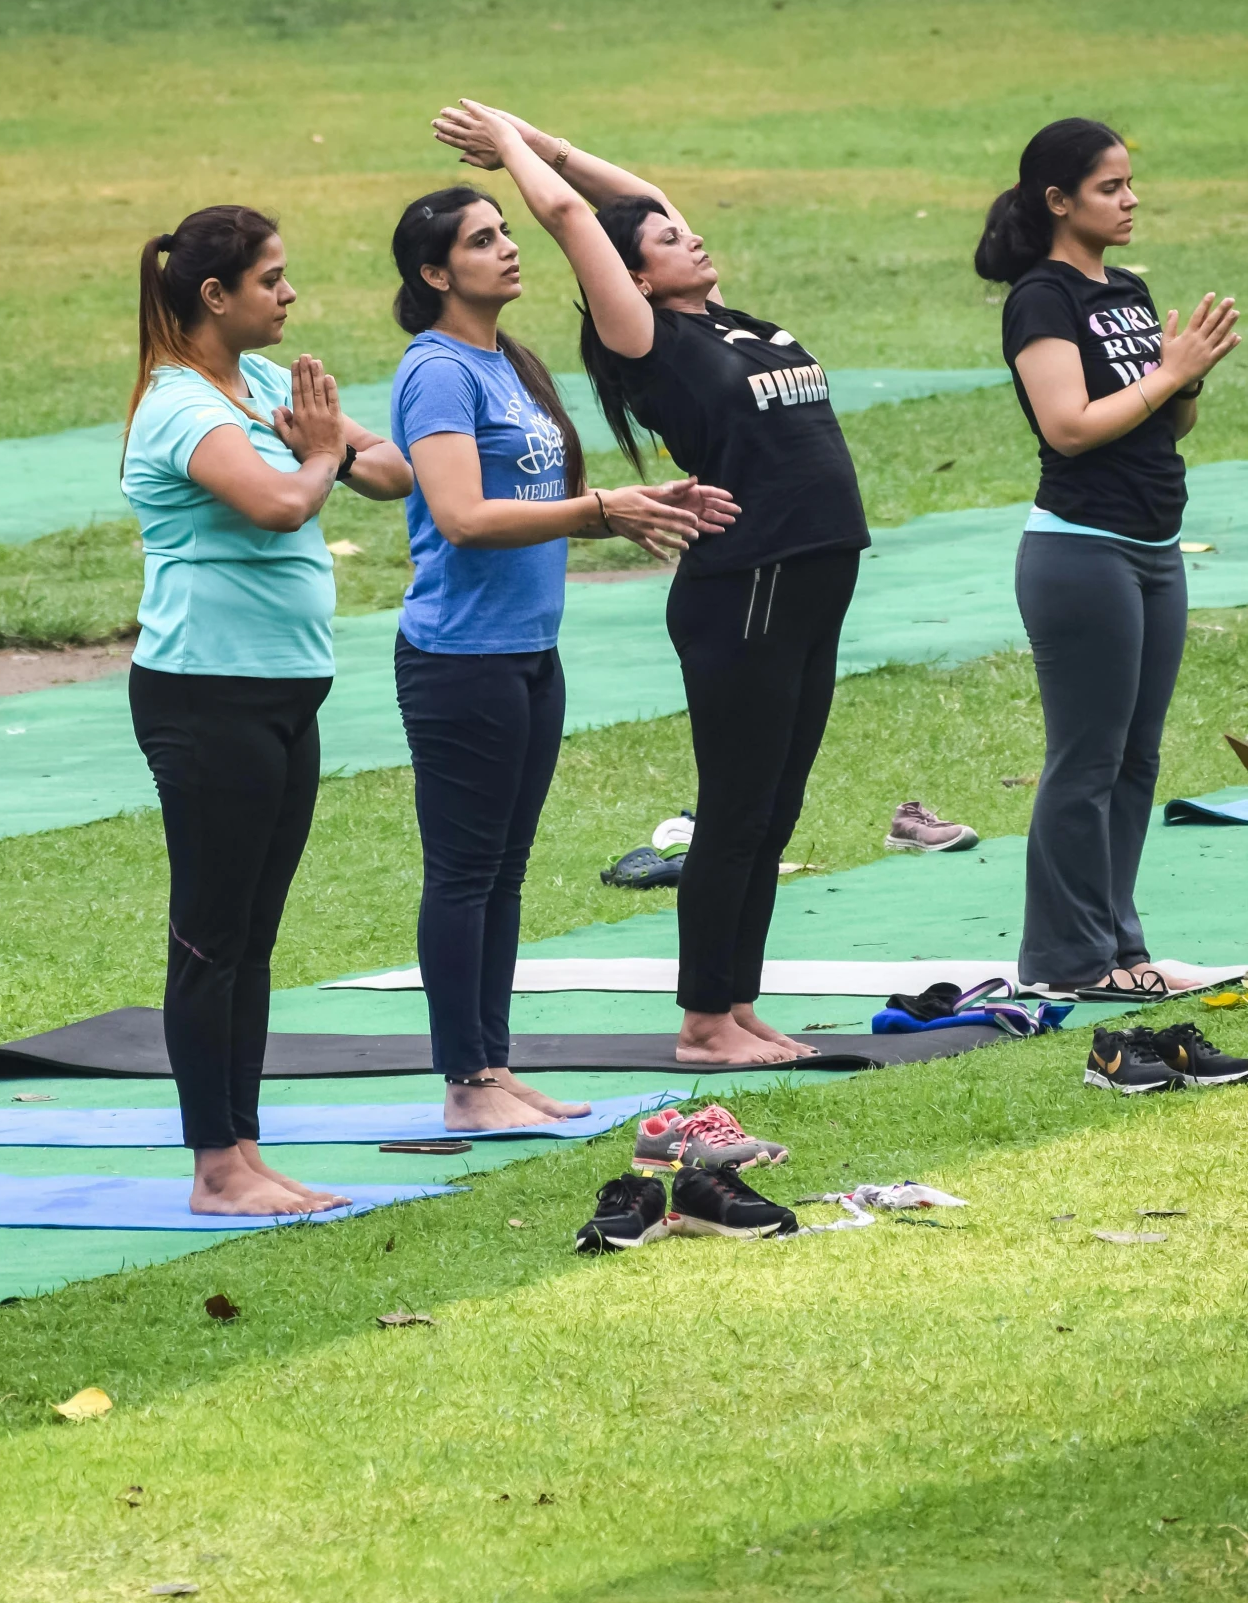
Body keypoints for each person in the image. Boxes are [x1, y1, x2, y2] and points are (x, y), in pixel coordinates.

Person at [433, 98, 867, 1068]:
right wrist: (509, 149)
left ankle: (736, 1001)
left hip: (808, 579)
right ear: (632, 275)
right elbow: (581, 219)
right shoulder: (646, 338)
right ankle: (702, 1022)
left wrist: (538, 139)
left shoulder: (730, 321)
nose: (689, 231)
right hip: (741, 588)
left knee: (776, 806)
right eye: (671, 237)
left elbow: (629, 196)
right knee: (736, 806)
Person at [387, 179, 734, 1125]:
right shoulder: (437, 372)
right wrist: (598, 510)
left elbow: (538, 506)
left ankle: (492, 1069)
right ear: (433, 272)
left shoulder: (510, 362)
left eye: (505, 233)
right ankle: (466, 1085)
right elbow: (460, 516)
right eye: (480, 241)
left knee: (504, 869)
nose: (507, 249)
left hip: (528, 654)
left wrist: (632, 510)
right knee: (463, 873)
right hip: (459, 659)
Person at [123, 205, 413, 1214]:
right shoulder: (178, 408)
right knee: (209, 934)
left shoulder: (252, 384)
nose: (289, 295)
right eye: (272, 279)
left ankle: (244, 1149)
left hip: (283, 692)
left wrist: (331, 449)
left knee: (254, 933)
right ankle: (213, 1169)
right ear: (215, 295)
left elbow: (393, 469)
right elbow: (282, 503)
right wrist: (323, 454)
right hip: (204, 696)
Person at [976, 119, 1238, 997]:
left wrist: (1184, 377)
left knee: (1135, 757)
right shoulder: (1040, 298)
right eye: (1109, 188)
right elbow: (1069, 426)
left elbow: (1171, 422)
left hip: (1154, 547)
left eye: (1130, 184)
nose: (1130, 200)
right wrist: (1169, 373)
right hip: (1079, 551)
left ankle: (1121, 944)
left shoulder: (1123, 288)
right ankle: (1065, 959)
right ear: (1058, 201)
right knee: (1084, 758)